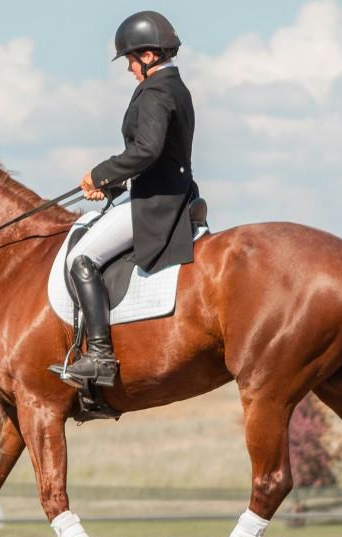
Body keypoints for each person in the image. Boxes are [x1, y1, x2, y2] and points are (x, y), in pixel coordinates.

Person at [53, 10, 200, 389]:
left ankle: (100, 355)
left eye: (131, 60)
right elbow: (160, 156)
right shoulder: (175, 88)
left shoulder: (155, 92)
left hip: (155, 203)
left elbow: (147, 151)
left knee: (80, 257)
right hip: (168, 191)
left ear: (148, 56)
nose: (129, 68)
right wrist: (115, 186)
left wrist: (100, 173)